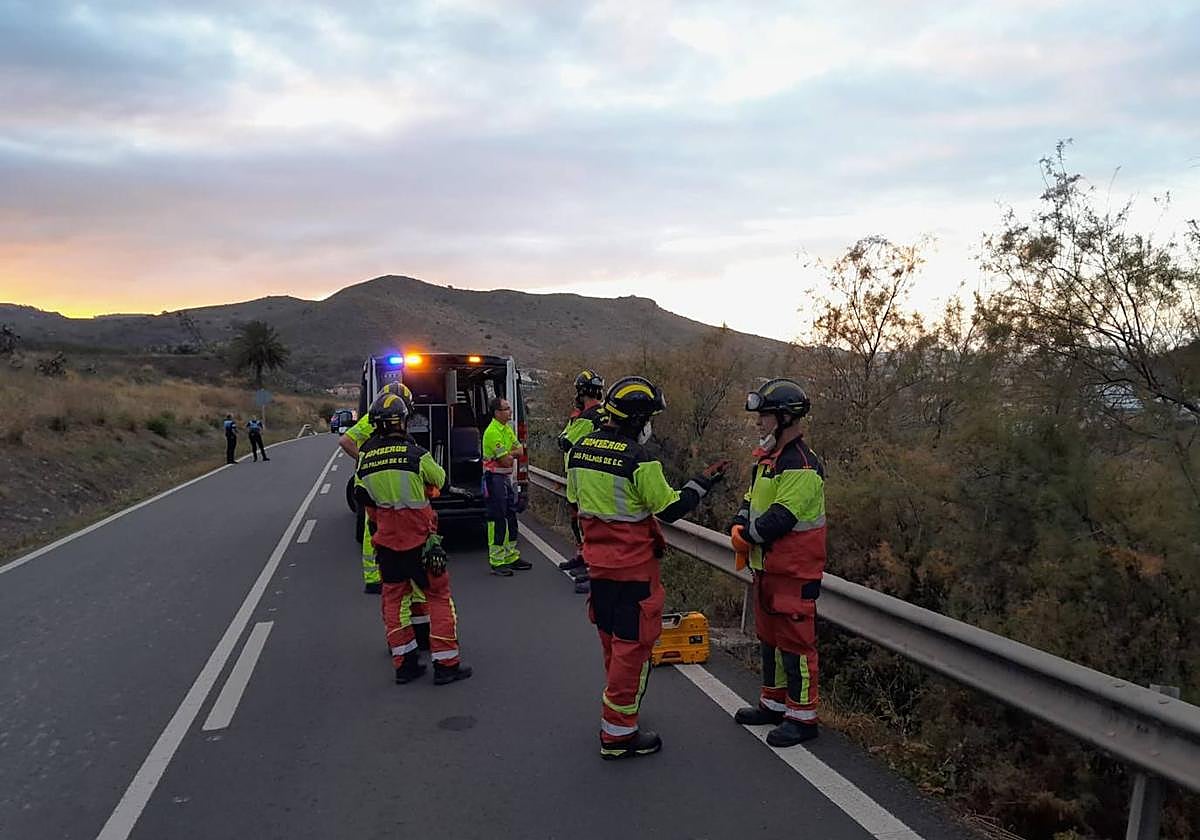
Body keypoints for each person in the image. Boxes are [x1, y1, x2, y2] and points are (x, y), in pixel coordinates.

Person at [566, 375, 730, 759]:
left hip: (598, 568)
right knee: (634, 650)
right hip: (634, 571)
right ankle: (618, 734)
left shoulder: (580, 450)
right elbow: (670, 508)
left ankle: (618, 713)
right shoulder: (640, 461)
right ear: (639, 419)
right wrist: (702, 483)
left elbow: (575, 504)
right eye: (650, 417)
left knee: (611, 642)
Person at [730, 378, 826, 747]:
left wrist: (746, 536)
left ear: (785, 419)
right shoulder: (767, 461)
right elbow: (750, 501)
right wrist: (739, 523)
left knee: (797, 647)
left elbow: (780, 519)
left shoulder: (801, 465)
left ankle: (802, 718)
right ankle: (773, 704)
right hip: (767, 570)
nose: (759, 424)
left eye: (765, 417)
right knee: (770, 641)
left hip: (793, 573)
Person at [355, 390, 471, 686]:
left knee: (394, 602)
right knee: (438, 598)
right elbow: (441, 480)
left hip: (387, 544)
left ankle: (405, 664)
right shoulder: (416, 455)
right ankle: (446, 664)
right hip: (421, 541)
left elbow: (364, 499)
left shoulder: (365, 460)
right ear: (403, 422)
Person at [337, 383, 430, 649]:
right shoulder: (373, 420)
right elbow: (345, 441)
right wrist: (365, 460)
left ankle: (381, 577)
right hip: (375, 480)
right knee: (373, 525)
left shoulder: (379, 419)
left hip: (377, 479)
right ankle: (372, 577)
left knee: (380, 525)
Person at [556, 369, 606, 594]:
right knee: (579, 520)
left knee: (585, 522)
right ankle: (583, 558)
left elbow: (565, 442)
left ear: (582, 392)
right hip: (586, 475)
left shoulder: (587, 417)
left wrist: (569, 431)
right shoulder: (602, 413)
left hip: (583, 476)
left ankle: (593, 568)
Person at [482, 396, 530, 576]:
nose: (510, 412)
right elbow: (505, 460)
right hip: (494, 480)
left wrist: (509, 454)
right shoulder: (492, 432)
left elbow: (520, 450)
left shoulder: (507, 429)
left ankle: (511, 556)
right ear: (497, 413)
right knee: (498, 519)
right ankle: (497, 560)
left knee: (511, 516)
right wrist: (510, 454)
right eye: (506, 409)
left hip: (505, 479)